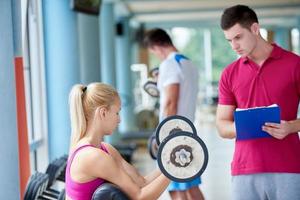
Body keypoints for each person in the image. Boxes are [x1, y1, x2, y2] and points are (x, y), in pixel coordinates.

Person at [216, 4, 300, 200]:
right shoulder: (229, 73)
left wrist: (290, 127)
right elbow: (221, 125)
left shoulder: (295, 65)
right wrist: (245, 127)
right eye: (229, 40)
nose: (234, 46)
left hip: (288, 167)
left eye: (238, 37)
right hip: (244, 169)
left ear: (255, 29)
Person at [65, 82, 171, 200]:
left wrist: (169, 163)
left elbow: (142, 182)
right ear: (103, 112)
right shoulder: (92, 156)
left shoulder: (105, 149)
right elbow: (140, 197)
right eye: (117, 112)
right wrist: (175, 171)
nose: (119, 119)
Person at [144, 28, 205, 200]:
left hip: (174, 133)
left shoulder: (169, 64)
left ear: (157, 46)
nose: (157, 56)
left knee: (175, 188)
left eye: (154, 52)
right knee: (191, 186)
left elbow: (171, 102)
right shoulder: (188, 64)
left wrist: (164, 136)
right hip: (188, 131)